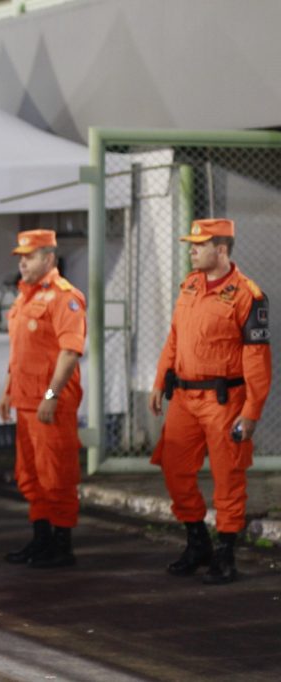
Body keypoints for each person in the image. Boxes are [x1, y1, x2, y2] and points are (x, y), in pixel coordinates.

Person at [149, 218, 272, 585]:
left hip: (224, 400)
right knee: (174, 468)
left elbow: (258, 362)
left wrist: (251, 412)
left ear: (220, 250)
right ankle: (197, 540)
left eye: (198, 246)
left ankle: (225, 552)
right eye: (191, 245)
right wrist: (159, 381)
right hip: (184, 397)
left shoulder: (249, 295)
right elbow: (174, 337)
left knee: (228, 477)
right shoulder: (189, 286)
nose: (191, 250)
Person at [0, 229, 86, 569]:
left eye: (29, 256)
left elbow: (70, 351)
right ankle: (41, 539)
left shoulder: (65, 297)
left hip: (51, 404)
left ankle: (62, 546)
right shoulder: (24, 297)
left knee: (57, 475)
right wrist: (8, 391)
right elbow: (19, 353)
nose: (22, 262)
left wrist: (52, 394)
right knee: (31, 474)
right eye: (20, 256)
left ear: (49, 258)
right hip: (26, 401)